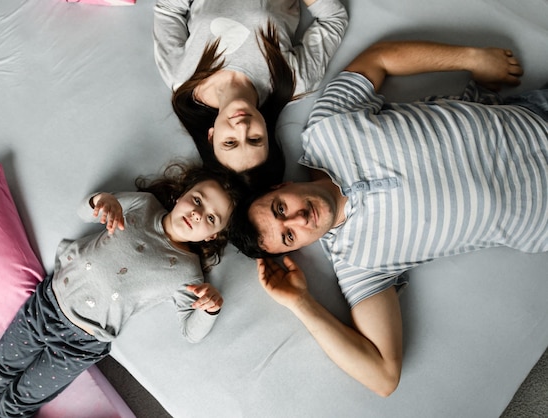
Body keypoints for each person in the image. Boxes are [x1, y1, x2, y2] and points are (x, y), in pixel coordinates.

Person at [230, 39, 548, 396]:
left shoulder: (325, 127)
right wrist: (301, 303)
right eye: (289, 236)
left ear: (281, 185)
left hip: (534, 117)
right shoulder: (358, 264)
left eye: (280, 209)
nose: (299, 218)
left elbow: (377, 60)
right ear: (299, 247)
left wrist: (473, 57)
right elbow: (383, 376)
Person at [0, 164, 244, 417]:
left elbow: (192, 332)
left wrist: (210, 308)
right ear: (181, 195)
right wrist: (102, 202)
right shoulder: (143, 205)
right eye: (197, 200)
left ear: (213, 235)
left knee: (21, 401)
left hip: (82, 344)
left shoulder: (188, 271)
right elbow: (85, 210)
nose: (197, 213)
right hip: (47, 306)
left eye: (210, 218)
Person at [153, 0, 348, 189]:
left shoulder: (181, 78)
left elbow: (168, 10)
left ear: (211, 136)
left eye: (230, 142)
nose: (242, 128)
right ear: (266, 131)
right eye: (255, 139)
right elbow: (334, 19)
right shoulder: (294, 80)